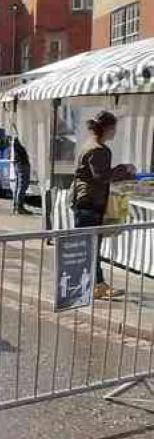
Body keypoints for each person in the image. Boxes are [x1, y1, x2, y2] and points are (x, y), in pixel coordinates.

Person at [71, 110, 121, 300]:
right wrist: (122, 170)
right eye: (113, 128)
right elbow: (101, 177)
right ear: (107, 128)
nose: (115, 131)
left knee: (89, 246)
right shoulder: (98, 149)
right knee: (90, 247)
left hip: (85, 201)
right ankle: (93, 285)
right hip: (89, 202)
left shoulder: (90, 145)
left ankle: (94, 284)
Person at [12, 135, 32, 215]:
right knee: (22, 186)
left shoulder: (16, 139)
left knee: (18, 186)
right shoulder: (21, 139)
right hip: (22, 164)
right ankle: (19, 207)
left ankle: (16, 206)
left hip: (18, 163)